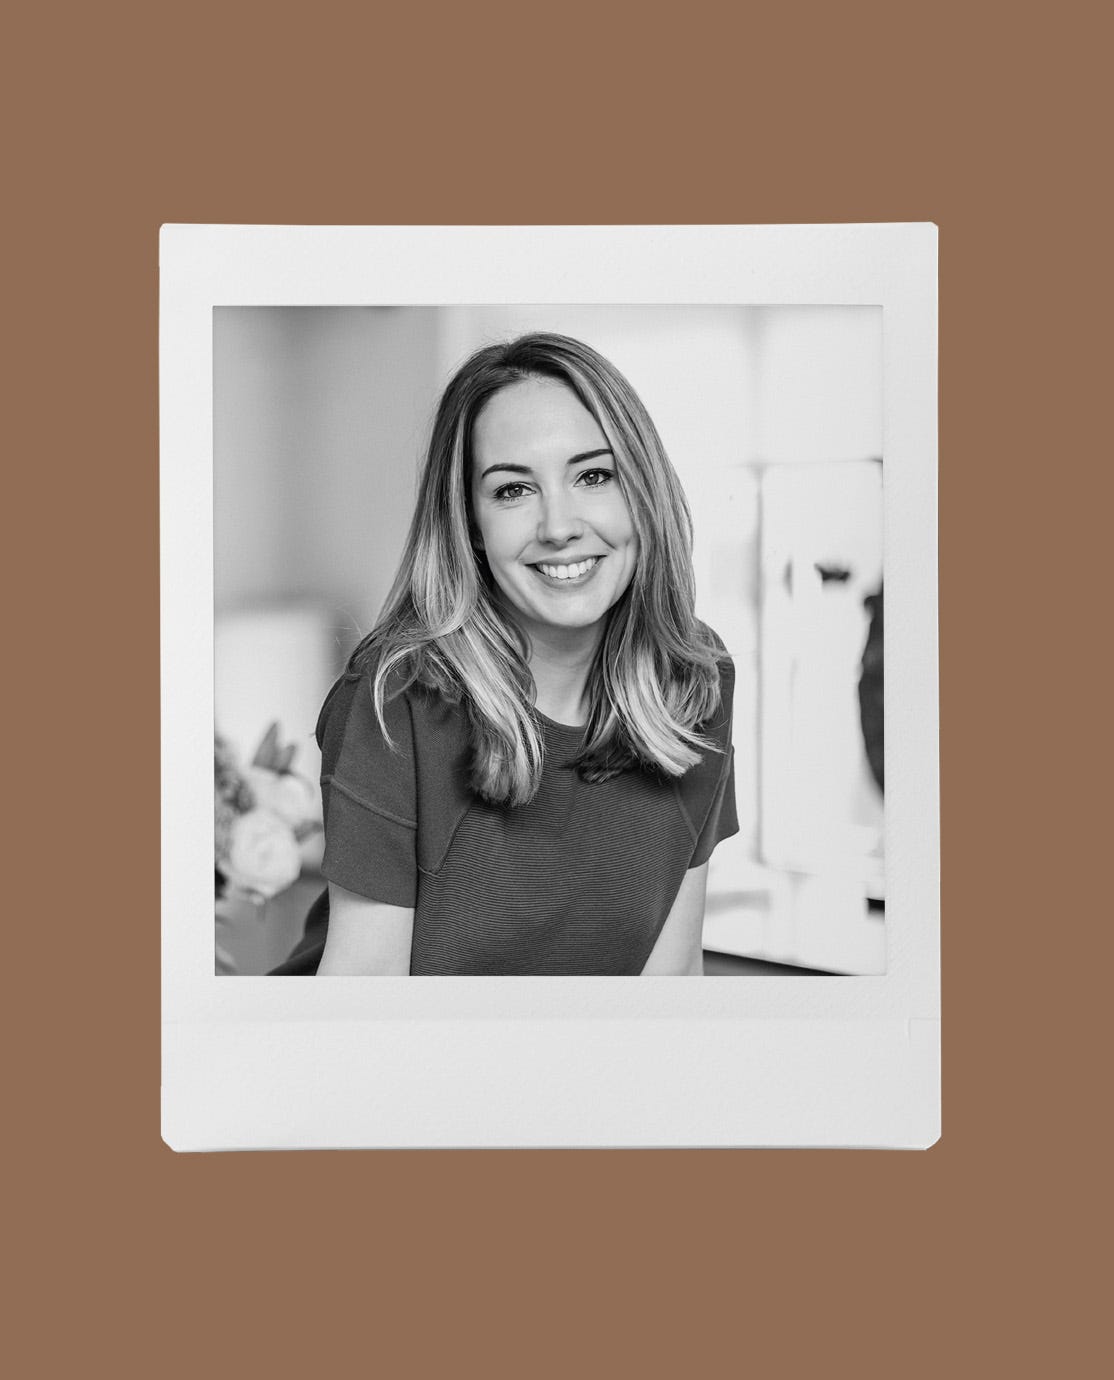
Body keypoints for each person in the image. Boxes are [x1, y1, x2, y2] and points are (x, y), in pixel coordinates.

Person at [272, 332, 737, 976]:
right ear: (470, 524)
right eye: (513, 490)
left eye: (594, 475)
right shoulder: (399, 698)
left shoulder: (692, 682)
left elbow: (670, 983)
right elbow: (361, 1020)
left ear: (643, 491)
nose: (559, 525)